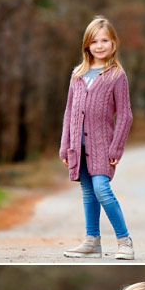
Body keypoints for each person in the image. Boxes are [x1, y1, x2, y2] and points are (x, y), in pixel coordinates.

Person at [59, 16, 134, 260]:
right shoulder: (77, 75)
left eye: (105, 40)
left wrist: (116, 149)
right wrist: (65, 147)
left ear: (114, 43)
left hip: (102, 146)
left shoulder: (116, 76)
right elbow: (69, 112)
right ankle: (92, 241)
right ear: (86, 45)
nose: (99, 45)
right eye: (94, 41)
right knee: (88, 192)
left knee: (102, 189)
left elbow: (125, 115)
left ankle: (124, 242)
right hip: (77, 146)